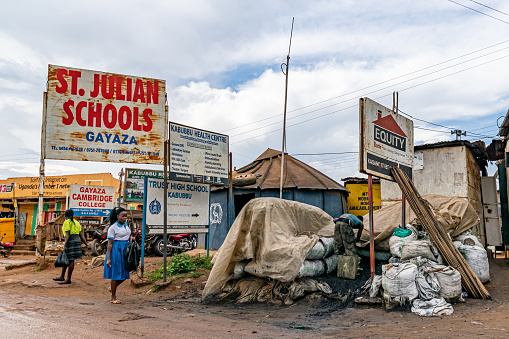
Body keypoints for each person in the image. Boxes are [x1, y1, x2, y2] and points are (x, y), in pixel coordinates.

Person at [53, 209, 90, 284]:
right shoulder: (76, 222)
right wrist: (87, 244)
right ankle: (62, 276)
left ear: (65, 216)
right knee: (67, 258)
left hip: (70, 241)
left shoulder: (67, 222)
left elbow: (67, 235)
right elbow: (81, 235)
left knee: (70, 260)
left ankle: (68, 279)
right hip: (77, 241)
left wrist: (65, 244)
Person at [103, 207, 131, 304]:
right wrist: (109, 259)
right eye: (122, 216)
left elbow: (127, 236)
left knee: (124, 273)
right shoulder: (113, 228)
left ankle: (112, 288)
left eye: (125, 216)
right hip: (116, 251)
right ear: (117, 216)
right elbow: (110, 244)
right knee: (115, 274)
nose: (124, 218)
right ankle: (113, 298)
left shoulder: (126, 225)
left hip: (125, 250)